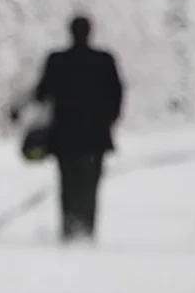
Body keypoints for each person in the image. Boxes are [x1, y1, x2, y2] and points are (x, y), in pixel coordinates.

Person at [11, 15, 124, 243]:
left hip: (65, 136)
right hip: (95, 136)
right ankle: (87, 229)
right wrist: (108, 120)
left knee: (67, 182)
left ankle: (69, 228)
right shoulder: (103, 60)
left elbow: (41, 92)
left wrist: (19, 108)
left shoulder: (57, 60)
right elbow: (117, 94)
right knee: (91, 183)